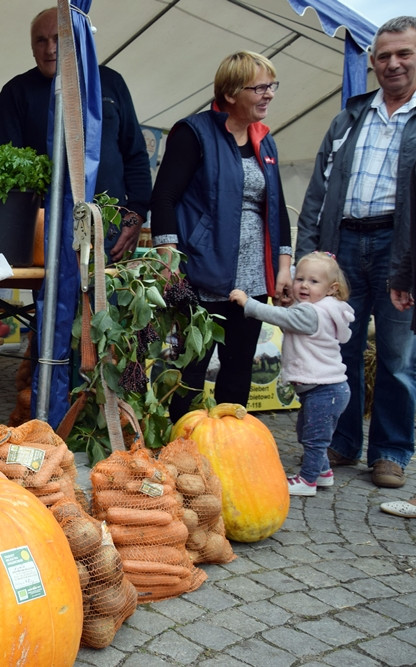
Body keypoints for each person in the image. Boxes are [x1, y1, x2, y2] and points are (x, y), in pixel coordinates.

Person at [295, 16, 416, 489]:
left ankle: (390, 451)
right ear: (372, 61)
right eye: (383, 56)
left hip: (398, 248)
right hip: (342, 245)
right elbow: (317, 194)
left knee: (397, 355)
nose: (393, 63)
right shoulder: (350, 115)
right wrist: (307, 255)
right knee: (336, 350)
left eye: (404, 53)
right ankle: (340, 443)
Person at [149, 51, 293, 422]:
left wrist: (284, 266)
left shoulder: (266, 140)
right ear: (230, 93)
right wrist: (168, 258)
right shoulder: (194, 133)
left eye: (271, 86)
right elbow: (164, 197)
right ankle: (181, 442)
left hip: (253, 278)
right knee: (193, 366)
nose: (269, 95)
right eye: (259, 87)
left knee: (239, 365)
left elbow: (275, 206)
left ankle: (232, 444)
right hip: (201, 269)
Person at [0, 6, 152, 262]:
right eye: (40, 41)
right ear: (32, 48)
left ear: (79, 40)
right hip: (46, 232)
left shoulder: (110, 83)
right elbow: (2, 172)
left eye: (58, 38)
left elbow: (136, 157)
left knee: (106, 302)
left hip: (109, 229)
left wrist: (134, 219)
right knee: (52, 303)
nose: (50, 48)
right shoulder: (16, 92)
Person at [230, 252, 354, 496]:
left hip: (325, 390)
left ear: (332, 288)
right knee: (308, 432)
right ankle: (323, 473)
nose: (304, 285)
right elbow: (291, 318)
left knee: (315, 438)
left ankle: (307, 481)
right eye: (300, 279)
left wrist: (249, 304)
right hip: (323, 390)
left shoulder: (313, 313)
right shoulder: (319, 309)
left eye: (313, 281)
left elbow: (282, 318)